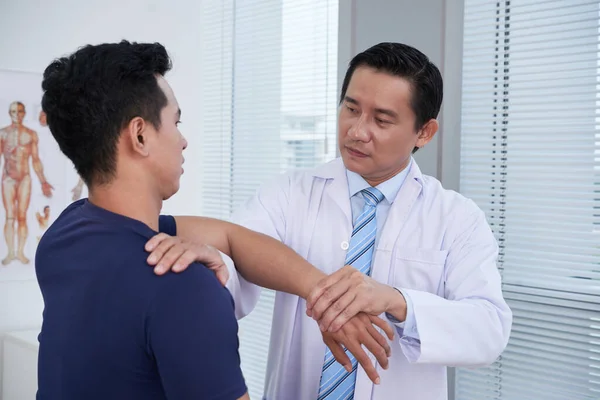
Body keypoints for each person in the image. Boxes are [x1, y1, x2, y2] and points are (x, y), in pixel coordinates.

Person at [150, 42, 513, 400]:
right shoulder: (288, 194)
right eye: (351, 109)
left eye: (382, 120)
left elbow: (489, 330)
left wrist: (396, 300)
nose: (357, 130)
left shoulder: (456, 218)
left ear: (425, 132)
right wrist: (202, 264)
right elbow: (230, 264)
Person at [35, 40, 392, 400]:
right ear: (140, 135)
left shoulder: (65, 234)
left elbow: (230, 236)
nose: (183, 140)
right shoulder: (183, 286)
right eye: (175, 122)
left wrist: (324, 294)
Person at [0, 101, 53, 265]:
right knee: (9, 216)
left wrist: (43, 182)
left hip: (25, 178)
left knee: (22, 217)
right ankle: (9, 253)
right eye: (13, 112)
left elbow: (36, 160)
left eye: (20, 111)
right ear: (10, 114)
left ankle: (21, 253)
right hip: (8, 178)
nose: (17, 115)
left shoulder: (31, 134)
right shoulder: (2, 134)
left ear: (24, 113)